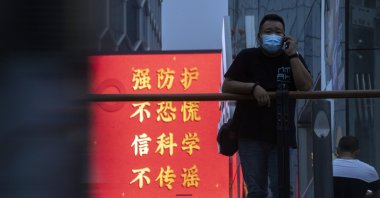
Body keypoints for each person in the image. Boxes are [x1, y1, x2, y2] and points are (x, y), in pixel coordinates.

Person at [221, 14, 312, 198]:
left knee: (284, 190)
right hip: (250, 135)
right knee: (256, 191)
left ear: (285, 37)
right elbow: (227, 85)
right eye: (268, 31)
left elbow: (306, 86)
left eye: (278, 32)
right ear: (259, 36)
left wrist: (293, 54)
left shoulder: (293, 58)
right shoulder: (248, 56)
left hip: (283, 135)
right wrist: (253, 88)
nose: (273, 35)